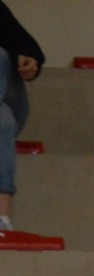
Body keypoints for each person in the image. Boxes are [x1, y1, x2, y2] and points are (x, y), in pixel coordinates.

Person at [0, 1, 44, 231]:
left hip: (8, 94)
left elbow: (29, 49)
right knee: (3, 120)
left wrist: (28, 62)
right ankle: (2, 216)